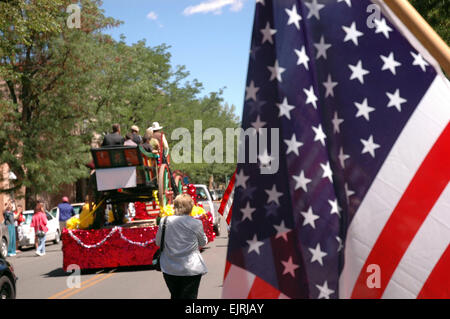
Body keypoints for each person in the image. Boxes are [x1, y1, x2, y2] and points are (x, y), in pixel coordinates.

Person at [155, 194, 208, 299]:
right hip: (191, 268)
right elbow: (203, 242)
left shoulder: (164, 221)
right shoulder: (196, 223)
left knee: (175, 296)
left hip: (170, 267)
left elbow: (158, 242)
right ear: (190, 207)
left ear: (175, 206)